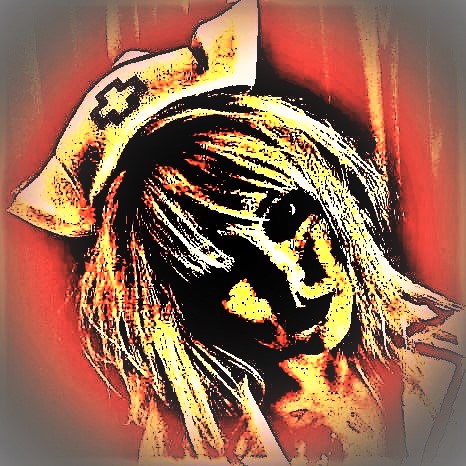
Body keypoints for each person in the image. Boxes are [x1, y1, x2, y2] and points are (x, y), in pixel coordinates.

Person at [8, 1, 463, 464]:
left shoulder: (449, 351)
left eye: (287, 217)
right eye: (223, 269)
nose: (293, 285)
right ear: (176, 306)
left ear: (327, 195)